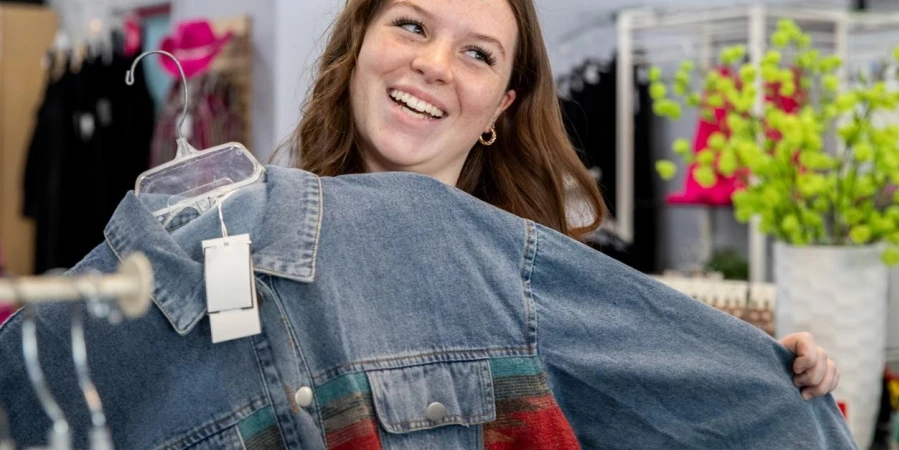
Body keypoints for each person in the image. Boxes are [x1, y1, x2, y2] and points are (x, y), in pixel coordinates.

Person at [281, 0, 839, 401]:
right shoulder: (249, 246)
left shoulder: (539, 287)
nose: (435, 64)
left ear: (501, 106)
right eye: (411, 25)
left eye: (478, 53)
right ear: (357, 46)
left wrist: (758, 369)